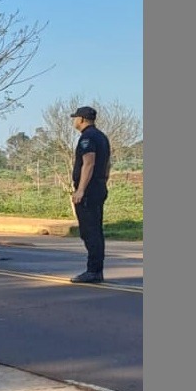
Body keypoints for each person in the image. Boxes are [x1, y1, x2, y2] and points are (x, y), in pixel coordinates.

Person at [69, 106, 113, 283]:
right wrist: (103, 180)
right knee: (95, 230)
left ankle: (93, 271)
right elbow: (107, 164)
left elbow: (89, 163)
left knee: (90, 231)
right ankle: (96, 270)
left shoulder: (87, 138)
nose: (74, 121)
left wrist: (81, 190)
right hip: (98, 186)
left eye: (75, 118)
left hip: (89, 190)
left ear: (81, 119)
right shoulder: (101, 137)